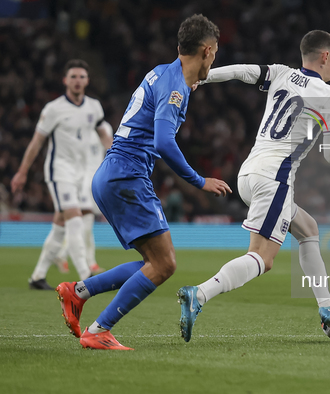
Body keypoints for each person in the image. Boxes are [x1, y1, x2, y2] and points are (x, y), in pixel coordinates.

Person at [177, 30, 330, 343]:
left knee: (308, 228)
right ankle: (199, 294)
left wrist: (200, 77)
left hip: (248, 173)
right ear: (324, 56)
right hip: (275, 179)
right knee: (262, 259)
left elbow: (241, 71)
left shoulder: (281, 73)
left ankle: (327, 306)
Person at [55, 14, 231, 350]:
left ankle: (78, 292)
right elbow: (164, 142)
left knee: (154, 263)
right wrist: (198, 181)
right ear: (207, 50)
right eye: (216, 52)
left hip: (112, 173)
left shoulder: (165, 73)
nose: (215, 58)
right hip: (127, 175)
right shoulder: (175, 87)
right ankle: (98, 330)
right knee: (164, 264)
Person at [10, 59, 113, 290]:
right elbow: (37, 143)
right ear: (65, 80)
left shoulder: (94, 107)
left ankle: (37, 276)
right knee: (75, 220)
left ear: (87, 80)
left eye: (81, 77)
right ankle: (87, 275)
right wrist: (22, 172)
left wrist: (115, 154)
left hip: (82, 172)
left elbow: (102, 134)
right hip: (60, 171)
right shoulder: (54, 109)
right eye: (73, 77)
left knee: (60, 224)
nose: (77, 81)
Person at [52, 118, 113, 275]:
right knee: (84, 220)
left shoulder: (104, 127)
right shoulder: (77, 124)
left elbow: (110, 147)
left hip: (96, 176)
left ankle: (70, 256)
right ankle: (78, 259)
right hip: (82, 178)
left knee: (86, 222)